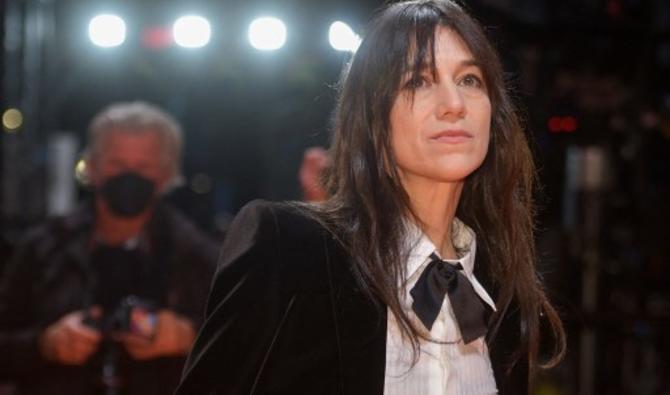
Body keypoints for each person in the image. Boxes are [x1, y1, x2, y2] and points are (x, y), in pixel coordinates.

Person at [176, 1, 566, 394]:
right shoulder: (291, 249)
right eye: (418, 81)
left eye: (469, 79)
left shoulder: (500, 294)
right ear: (372, 118)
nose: (454, 104)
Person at [0, 102, 218, 395]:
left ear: (167, 174)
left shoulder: (199, 255)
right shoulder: (42, 247)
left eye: (144, 167)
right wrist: (44, 345)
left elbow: (246, 348)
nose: (129, 176)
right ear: (92, 166)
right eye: (116, 163)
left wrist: (188, 337)